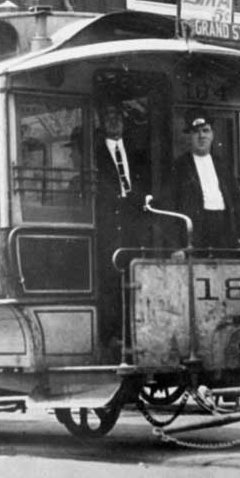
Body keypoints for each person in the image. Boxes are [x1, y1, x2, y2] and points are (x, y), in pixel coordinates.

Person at [92, 101, 148, 358]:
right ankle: (111, 337)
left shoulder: (135, 152)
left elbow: (140, 184)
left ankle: (133, 334)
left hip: (131, 225)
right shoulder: (95, 152)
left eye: (118, 117)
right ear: (101, 122)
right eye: (109, 116)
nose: (114, 121)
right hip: (106, 227)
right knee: (110, 281)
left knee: (132, 277)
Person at [168, 109, 240, 251]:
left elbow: (237, 201)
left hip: (224, 229)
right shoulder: (180, 167)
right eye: (196, 132)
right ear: (190, 136)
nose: (201, 135)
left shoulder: (222, 165)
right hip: (196, 234)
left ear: (212, 135)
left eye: (206, 130)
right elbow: (171, 207)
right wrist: (177, 246)